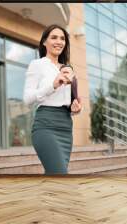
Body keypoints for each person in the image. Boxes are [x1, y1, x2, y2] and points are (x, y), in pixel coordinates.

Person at [23, 24, 82, 175]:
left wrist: (76, 108)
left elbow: (69, 102)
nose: (59, 41)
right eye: (54, 37)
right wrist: (53, 85)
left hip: (65, 126)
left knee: (54, 177)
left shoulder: (68, 69)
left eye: (62, 38)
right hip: (45, 125)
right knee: (60, 174)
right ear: (44, 42)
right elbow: (27, 99)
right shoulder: (37, 65)